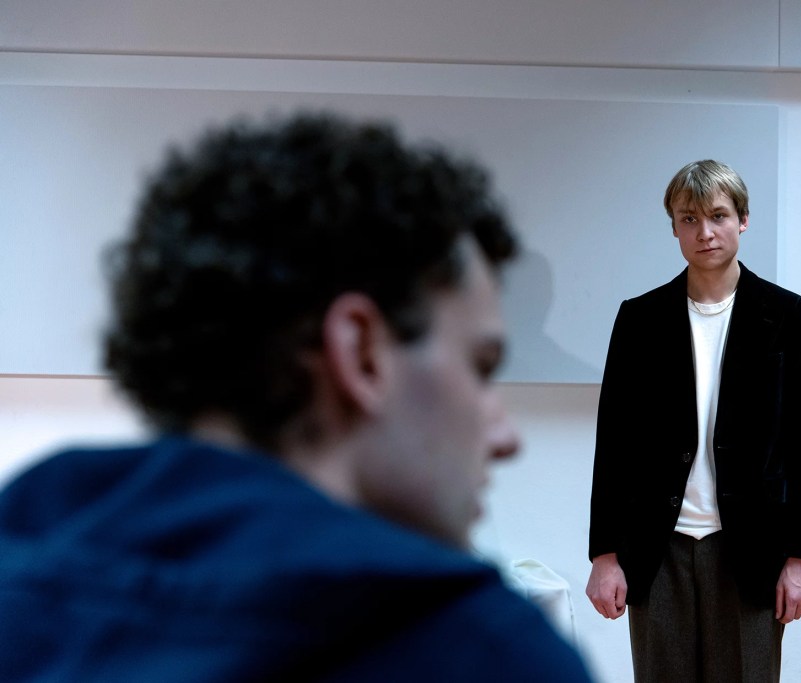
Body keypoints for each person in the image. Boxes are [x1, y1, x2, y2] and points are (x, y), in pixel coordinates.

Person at [0, 111, 595, 682]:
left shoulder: (25, 572)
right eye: (480, 367)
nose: (505, 437)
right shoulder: (484, 654)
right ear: (360, 353)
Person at [586, 159, 801, 682]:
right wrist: (604, 555)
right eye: (689, 219)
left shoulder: (788, 317)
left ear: (742, 219)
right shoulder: (640, 319)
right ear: (674, 227)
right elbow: (614, 444)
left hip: (751, 548)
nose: (705, 232)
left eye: (718, 216)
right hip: (658, 547)